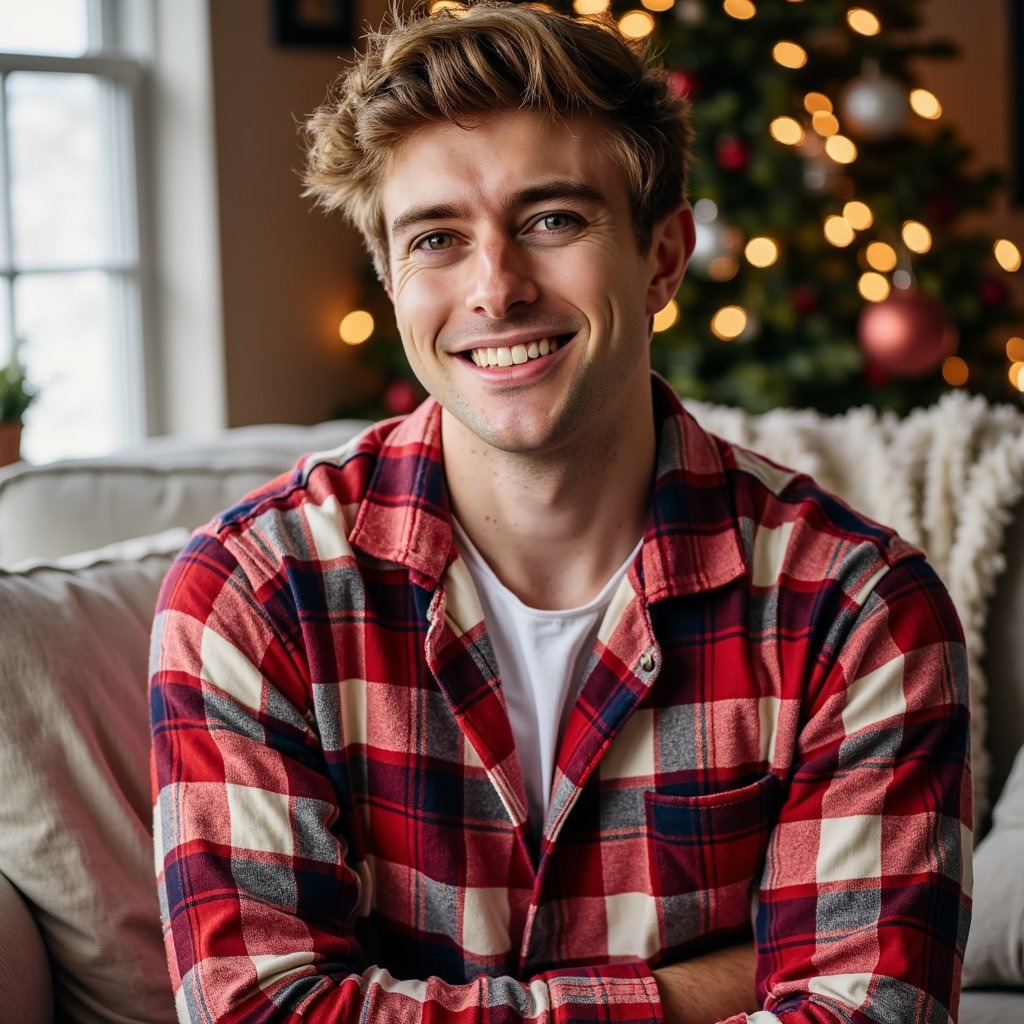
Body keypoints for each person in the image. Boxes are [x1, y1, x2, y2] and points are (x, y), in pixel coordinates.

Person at [148, 3, 972, 1022]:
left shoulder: (854, 609)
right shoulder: (254, 593)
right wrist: (695, 990)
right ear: (392, 281)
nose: (494, 288)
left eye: (552, 220)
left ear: (663, 256)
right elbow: (257, 1011)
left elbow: (869, 1011)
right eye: (437, 238)